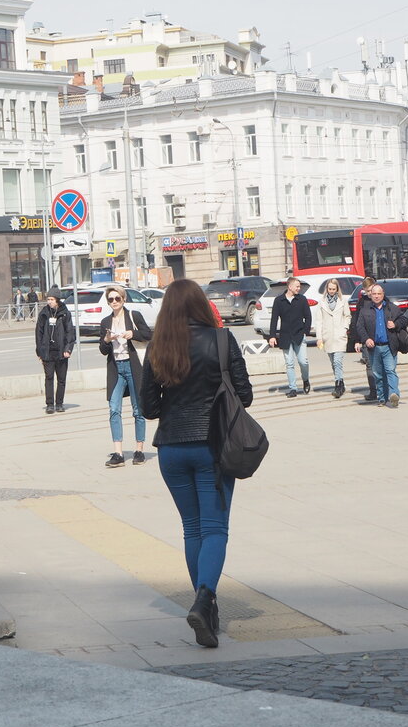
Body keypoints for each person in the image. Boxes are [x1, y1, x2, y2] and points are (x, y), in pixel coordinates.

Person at [140, 279, 251, 649]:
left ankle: (207, 608)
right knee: (215, 529)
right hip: (212, 448)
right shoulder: (221, 340)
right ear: (202, 305)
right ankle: (204, 601)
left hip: (171, 449)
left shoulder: (158, 346)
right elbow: (245, 396)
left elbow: (148, 409)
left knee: (192, 529)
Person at [100, 286, 152, 467]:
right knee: (114, 409)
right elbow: (102, 350)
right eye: (110, 299)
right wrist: (107, 340)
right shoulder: (106, 321)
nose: (114, 302)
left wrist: (133, 334)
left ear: (123, 299)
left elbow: (149, 335)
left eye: (117, 298)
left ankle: (139, 450)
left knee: (138, 410)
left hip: (133, 367)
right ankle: (118, 453)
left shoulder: (133, 316)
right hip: (116, 369)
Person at [353, 283, 408, 408]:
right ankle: (382, 398)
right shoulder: (365, 309)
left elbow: (403, 319)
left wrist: (395, 324)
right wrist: (366, 339)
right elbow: (359, 326)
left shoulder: (391, 307)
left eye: (379, 294)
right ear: (370, 295)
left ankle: (394, 394)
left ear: (383, 295)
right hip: (374, 347)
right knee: (378, 374)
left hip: (389, 346)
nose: (377, 296)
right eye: (374, 294)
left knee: (390, 370)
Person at [267, 277, 312, 396]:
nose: (299, 288)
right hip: (285, 336)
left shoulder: (301, 299)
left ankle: (305, 379)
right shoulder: (279, 300)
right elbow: (274, 319)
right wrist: (272, 336)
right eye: (297, 286)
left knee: (303, 361)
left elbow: (308, 317)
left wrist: (305, 331)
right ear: (290, 287)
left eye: (299, 286)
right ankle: (293, 388)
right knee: (289, 363)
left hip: (299, 335)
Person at [35, 288, 75, 414]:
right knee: (49, 378)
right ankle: (50, 404)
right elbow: (38, 333)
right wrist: (40, 352)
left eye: (52, 299)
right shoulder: (44, 313)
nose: (49, 302)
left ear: (57, 300)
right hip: (48, 351)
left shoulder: (64, 313)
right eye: (48, 299)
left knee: (61, 379)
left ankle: (59, 403)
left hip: (61, 351)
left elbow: (70, 332)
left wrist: (68, 349)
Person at [313, 277, 351, 399]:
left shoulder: (343, 301)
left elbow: (347, 316)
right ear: (327, 289)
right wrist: (319, 337)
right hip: (327, 336)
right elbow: (319, 321)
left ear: (337, 289)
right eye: (330, 289)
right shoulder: (322, 302)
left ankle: (338, 385)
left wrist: (345, 328)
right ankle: (341, 381)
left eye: (334, 289)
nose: (331, 291)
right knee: (333, 363)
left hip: (339, 335)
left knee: (337, 361)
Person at [347, 276, 379, 403]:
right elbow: (356, 322)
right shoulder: (362, 302)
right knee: (369, 365)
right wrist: (356, 340)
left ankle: (383, 389)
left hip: (380, 338)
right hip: (366, 338)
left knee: (381, 365)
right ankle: (373, 391)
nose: (371, 293)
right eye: (368, 291)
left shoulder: (381, 300)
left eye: (372, 290)